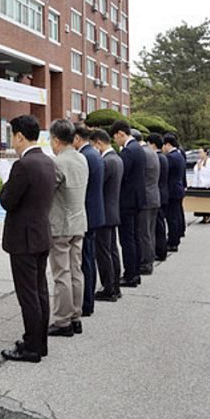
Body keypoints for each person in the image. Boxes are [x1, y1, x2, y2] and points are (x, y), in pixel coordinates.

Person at [0, 115, 56, 363]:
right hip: (41, 234)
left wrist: (5, 183)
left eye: (12, 135)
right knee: (40, 290)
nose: (12, 141)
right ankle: (39, 342)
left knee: (28, 295)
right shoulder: (47, 161)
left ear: (20, 136)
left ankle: (32, 347)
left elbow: (7, 201)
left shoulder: (23, 165)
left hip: (23, 238)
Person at [47, 120, 89, 338]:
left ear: (56, 139)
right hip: (79, 222)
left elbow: (47, 192)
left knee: (61, 273)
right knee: (76, 270)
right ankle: (76, 317)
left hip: (61, 224)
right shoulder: (82, 158)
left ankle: (63, 320)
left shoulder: (57, 163)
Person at [109, 120, 146, 288]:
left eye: (115, 137)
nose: (115, 141)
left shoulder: (128, 151)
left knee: (127, 239)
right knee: (135, 237)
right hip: (137, 198)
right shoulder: (138, 148)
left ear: (120, 134)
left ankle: (130, 274)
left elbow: (121, 175)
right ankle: (135, 272)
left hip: (127, 200)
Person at [73, 124, 104, 317]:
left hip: (88, 214)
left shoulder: (85, 156)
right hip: (95, 212)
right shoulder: (94, 154)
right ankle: (88, 299)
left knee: (85, 261)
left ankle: (86, 302)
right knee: (89, 258)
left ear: (77, 138)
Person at [89, 129, 123, 301]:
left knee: (103, 252)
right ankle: (115, 286)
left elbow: (98, 186)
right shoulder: (117, 159)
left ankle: (108, 288)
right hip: (113, 210)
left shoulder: (106, 161)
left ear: (99, 143)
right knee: (112, 251)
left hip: (105, 212)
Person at [138, 135, 161, 275]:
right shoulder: (152, 152)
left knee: (144, 233)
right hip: (153, 196)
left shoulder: (144, 153)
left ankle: (146, 263)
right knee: (150, 232)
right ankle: (149, 259)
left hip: (146, 198)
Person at [147, 133, 170, 261]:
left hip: (159, 193)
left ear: (153, 144)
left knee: (158, 226)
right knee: (159, 224)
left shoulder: (157, 158)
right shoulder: (163, 157)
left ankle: (160, 251)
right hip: (163, 192)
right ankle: (161, 249)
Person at [163, 134, 185, 252]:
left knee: (172, 218)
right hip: (178, 188)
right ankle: (175, 238)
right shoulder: (179, 155)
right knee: (176, 216)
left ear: (168, 144)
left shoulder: (171, 157)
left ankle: (173, 241)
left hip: (172, 191)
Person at [191, 147, 210, 223]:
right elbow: (196, 170)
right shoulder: (199, 161)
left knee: (207, 202)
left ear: (205, 153)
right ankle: (203, 216)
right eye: (199, 152)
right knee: (200, 202)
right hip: (199, 185)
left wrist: (201, 168)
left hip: (207, 184)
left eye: (201, 152)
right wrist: (199, 168)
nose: (200, 154)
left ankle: (207, 217)